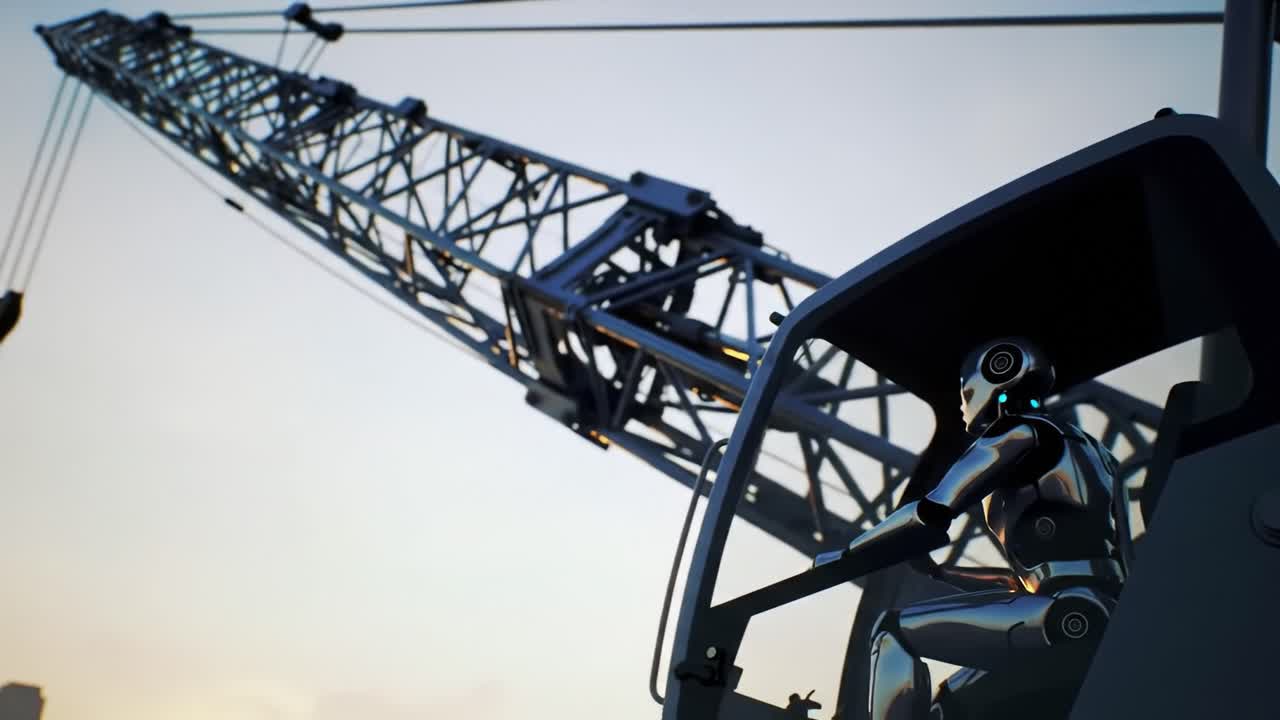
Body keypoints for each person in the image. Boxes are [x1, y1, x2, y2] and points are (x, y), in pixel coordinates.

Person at [814, 338, 1125, 719]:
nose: (962, 405)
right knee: (946, 707)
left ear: (994, 377)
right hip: (1103, 612)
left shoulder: (1016, 433)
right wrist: (942, 573)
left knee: (893, 630)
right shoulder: (1098, 453)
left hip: (1062, 612)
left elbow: (931, 510)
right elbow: (1020, 583)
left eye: (964, 392)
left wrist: (847, 555)